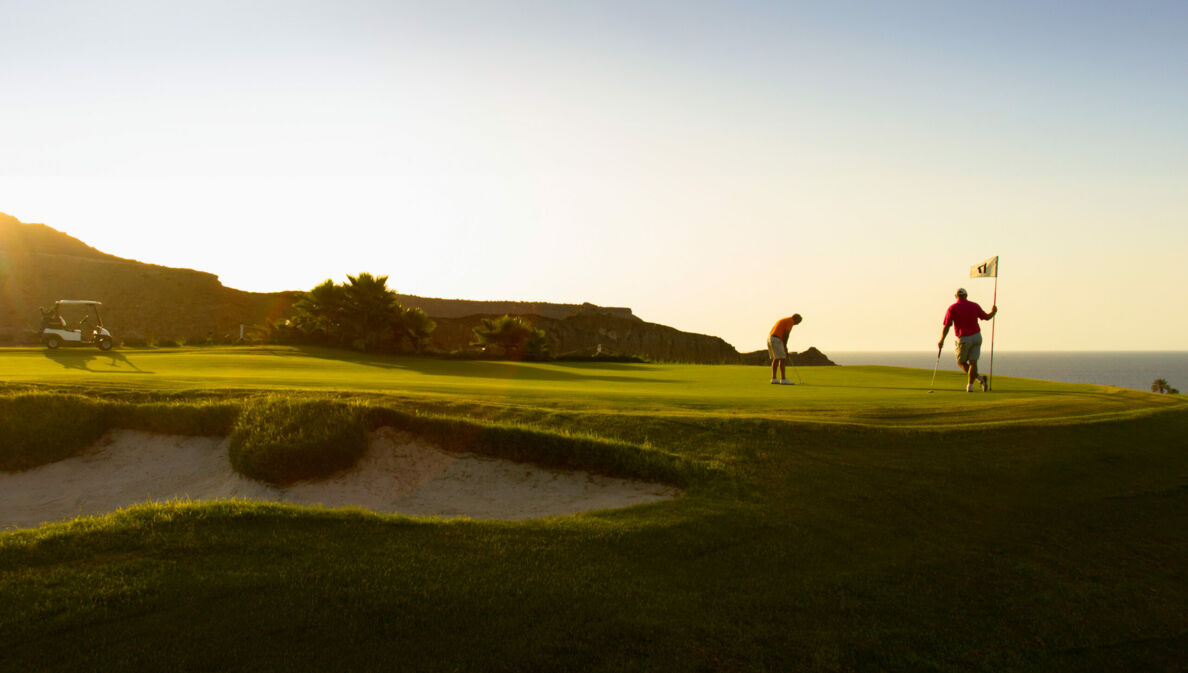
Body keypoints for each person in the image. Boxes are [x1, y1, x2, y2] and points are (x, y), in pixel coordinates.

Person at [938, 288, 997, 392]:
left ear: (956, 296)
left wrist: (942, 339)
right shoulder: (974, 305)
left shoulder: (952, 308)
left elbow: (947, 325)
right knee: (973, 363)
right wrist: (993, 312)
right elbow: (986, 317)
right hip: (977, 337)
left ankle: (978, 379)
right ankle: (971, 385)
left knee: (961, 362)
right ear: (966, 295)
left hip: (964, 338)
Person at [768, 314, 803, 385]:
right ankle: (783, 379)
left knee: (776, 358)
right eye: (798, 321)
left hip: (770, 338)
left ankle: (774, 379)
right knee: (782, 358)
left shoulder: (785, 320)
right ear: (795, 318)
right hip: (776, 339)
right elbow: (786, 334)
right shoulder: (790, 321)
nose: (798, 324)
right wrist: (785, 345)